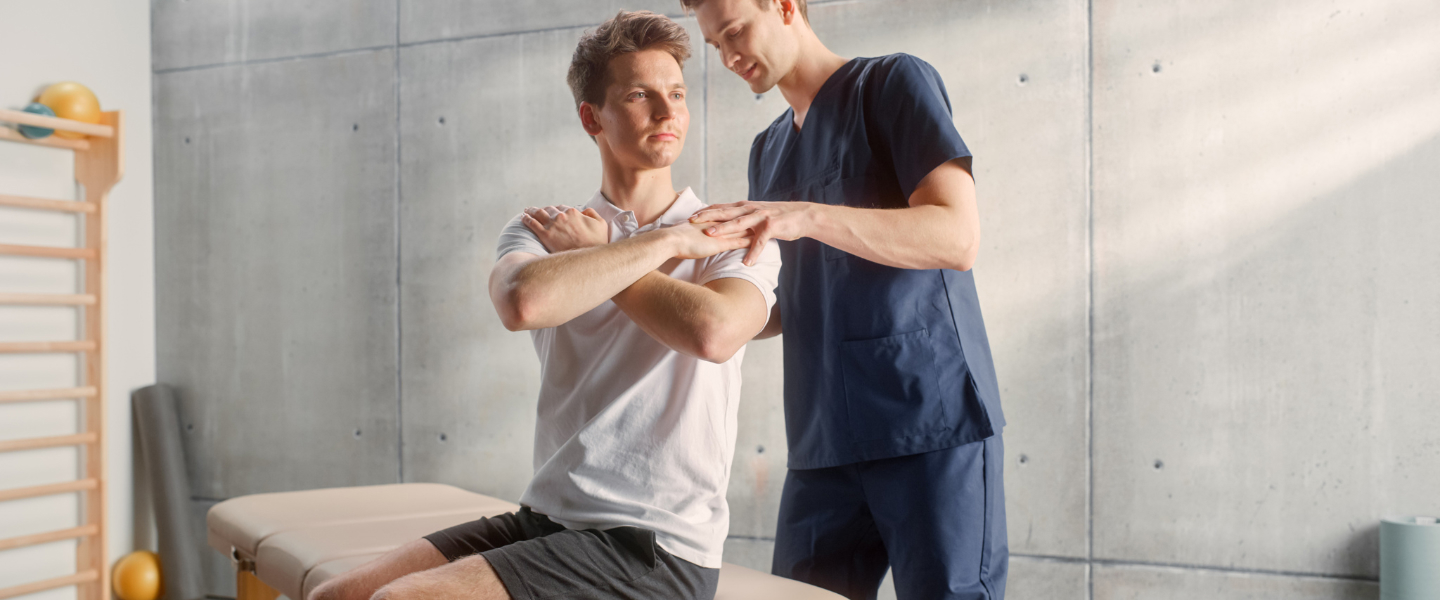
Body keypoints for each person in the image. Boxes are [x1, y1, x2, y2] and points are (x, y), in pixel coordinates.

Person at [307, 10, 780, 600]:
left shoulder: (732, 233)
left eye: (677, 93)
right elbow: (523, 301)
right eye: (639, 94)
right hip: (548, 520)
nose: (667, 112)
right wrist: (662, 242)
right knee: (332, 597)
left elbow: (715, 332)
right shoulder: (543, 229)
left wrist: (616, 248)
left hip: (654, 546)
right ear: (592, 118)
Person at [681, 1, 1008, 599]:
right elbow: (788, 299)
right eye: (714, 47)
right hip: (822, 440)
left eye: (734, 33)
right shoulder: (769, 149)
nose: (728, 59)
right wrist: (668, 295)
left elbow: (957, 237)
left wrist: (805, 215)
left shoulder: (891, 84)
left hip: (927, 425)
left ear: (783, 5)